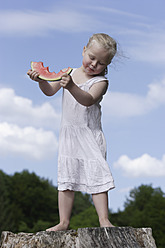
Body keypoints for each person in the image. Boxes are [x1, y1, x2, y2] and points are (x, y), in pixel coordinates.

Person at [27, 33, 117, 231]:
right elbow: (50, 91)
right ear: (84, 50)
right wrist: (41, 79)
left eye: (101, 62)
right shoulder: (70, 72)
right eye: (91, 57)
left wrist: (72, 86)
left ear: (106, 65)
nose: (94, 64)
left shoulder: (100, 82)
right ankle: (63, 222)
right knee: (66, 177)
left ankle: (103, 220)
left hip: (89, 135)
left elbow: (87, 99)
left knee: (97, 176)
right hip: (69, 135)